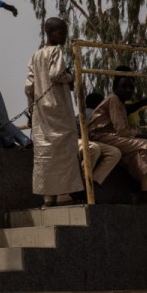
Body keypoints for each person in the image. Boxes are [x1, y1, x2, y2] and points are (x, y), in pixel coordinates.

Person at [27, 18, 84, 206]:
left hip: (41, 113)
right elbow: (56, 74)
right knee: (65, 152)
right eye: (61, 32)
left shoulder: (35, 55)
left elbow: (29, 86)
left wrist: (31, 108)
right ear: (50, 32)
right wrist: (71, 77)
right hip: (58, 110)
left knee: (45, 155)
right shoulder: (56, 51)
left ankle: (48, 198)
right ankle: (67, 193)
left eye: (65, 32)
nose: (65, 36)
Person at [82, 83, 147, 195]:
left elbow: (126, 112)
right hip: (102, 140)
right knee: (146, 146)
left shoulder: (117, 106)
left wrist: (141, 103)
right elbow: (122, 131)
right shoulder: (104, 108)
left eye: (131, 87)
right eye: (124, 86)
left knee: (143, 151)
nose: (128, 91)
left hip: (111, 139)